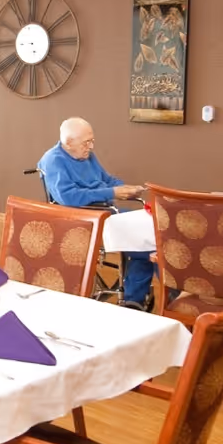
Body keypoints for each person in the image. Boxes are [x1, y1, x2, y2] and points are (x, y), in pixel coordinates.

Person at [36, 117, 153, 307]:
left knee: (153, 231)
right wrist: (112, 192)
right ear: (69, 142)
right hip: (82, 217)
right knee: (146, 247)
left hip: (106, 212)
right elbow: (68, 198)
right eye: (86, 142)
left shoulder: (86, 155)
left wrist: (126, 189)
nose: (90, 146)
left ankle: (135, 300)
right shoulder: (53, 160)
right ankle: (138, 300)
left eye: (92, 141)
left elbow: (106, 179)